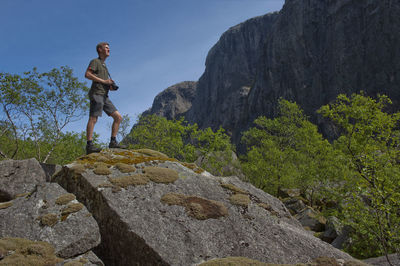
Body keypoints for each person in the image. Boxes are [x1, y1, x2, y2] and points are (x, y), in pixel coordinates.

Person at [85, 42, 124, 154]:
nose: (109, 50)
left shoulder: (104, 65)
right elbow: (87, 74)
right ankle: (89, 145)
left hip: (105, 95)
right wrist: (104, 81)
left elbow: (102, 81)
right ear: (100, 49)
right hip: (96, 93)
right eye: (106, 48)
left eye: (109, 48)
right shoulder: (95, 62)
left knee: (118, 117)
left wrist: (109, 86)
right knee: (94, 118)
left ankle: (113, 142)